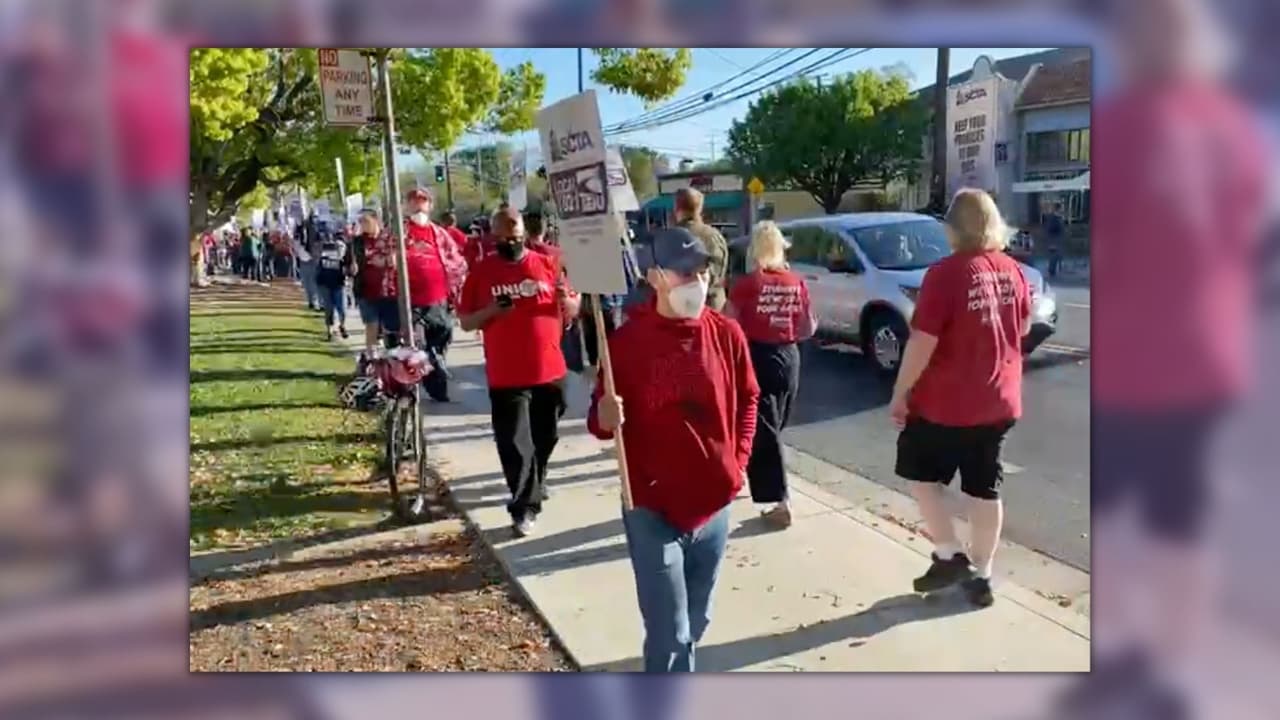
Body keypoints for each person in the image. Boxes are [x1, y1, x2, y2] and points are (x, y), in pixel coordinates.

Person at [587, 226, 759, 673]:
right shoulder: (623, 346)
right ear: (654, 277)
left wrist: (737, 464)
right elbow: (601, 425)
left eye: (701, 271)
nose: (696, 282)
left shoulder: (726, 334)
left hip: (714, 507)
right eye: (683, 273)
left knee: (697, 621)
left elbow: (749, 397)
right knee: (670, 635)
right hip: (652, 510)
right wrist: (606, 415)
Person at [888, 188, 1031, 609]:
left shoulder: (946, 274)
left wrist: (901, 393)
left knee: (918, 471)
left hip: (946, 403)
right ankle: (982, 576)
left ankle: (949, 553)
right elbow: (1021, 330)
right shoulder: (1014, 271)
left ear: (952, 228)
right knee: (984, 487)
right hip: (999, 400)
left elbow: (922, 342)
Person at [458, 207, 579, 537]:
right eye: (502, 237)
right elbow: (467, 321)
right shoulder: (482, 273)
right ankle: (524, 507)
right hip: (507, 372)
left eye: (514, 235)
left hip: (550, 368)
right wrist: (492, 310)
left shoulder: (547, 264)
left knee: (546, 436)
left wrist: (566, 303)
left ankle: (536, 481)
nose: (509, 241)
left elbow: (573, 305)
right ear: (493, 236)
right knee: (515, 443)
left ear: (525, 233)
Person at [726, 220, 816, 528]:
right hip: (789, 356)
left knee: (764, 430)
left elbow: (728, 322)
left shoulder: (747, 285)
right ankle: (754, 479)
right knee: (774, 425)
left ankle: (781, 501)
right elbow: (808, 327)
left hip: (757, 357)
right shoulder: (796, 281)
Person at [395, 187, 467, 402]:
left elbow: (458, 262)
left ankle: (435, 378)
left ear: (430, 205)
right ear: (407, 206)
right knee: (419, 347)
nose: (418, 205)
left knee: (441, 341)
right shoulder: (399, 233)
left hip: (438, 300)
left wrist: (456, 287)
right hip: (411, 302)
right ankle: (429, 387)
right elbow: (386, 260)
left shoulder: (440, 234)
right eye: (414, 201)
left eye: (423, 201)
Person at [350, 210, 396, 364]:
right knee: (372, 324)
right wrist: (351, 267)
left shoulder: (388, 239)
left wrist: (391, 261)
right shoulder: (357, 242)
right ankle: (371, 357)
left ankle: (393, 358)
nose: (363, 225)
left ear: (376, 220)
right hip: (366, 290)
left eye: (365, 221)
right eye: (361, 221)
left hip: (388, 289)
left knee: (390, 327)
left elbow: (396, 260)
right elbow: (349, 261)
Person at [673, 187, 729, 311]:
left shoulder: (670, 238)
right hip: (713, 305)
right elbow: (719, 272)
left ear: (677, 208)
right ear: (700, 208)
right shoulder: (714, 235)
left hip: (681, 308)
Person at [314, 228, 351, 340]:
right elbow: (318, 263)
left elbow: (349, 268)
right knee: (329, 308)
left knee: (342, 308)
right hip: (325, 282)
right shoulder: (324, 249)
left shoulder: (347, 254)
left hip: (339, 283)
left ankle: (342, 325)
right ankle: (330, 330)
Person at [1043, 202, 1065, 278]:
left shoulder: (1058, 218)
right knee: (1053, 256)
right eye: (1061, 208)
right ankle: (1051, 271)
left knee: (1056, 256)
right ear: (1058, 209)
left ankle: (1054, 270)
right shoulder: (1053, 218)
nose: (1062, 210)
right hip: (1053, 240)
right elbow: (1049, 229)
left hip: (1056, 240)